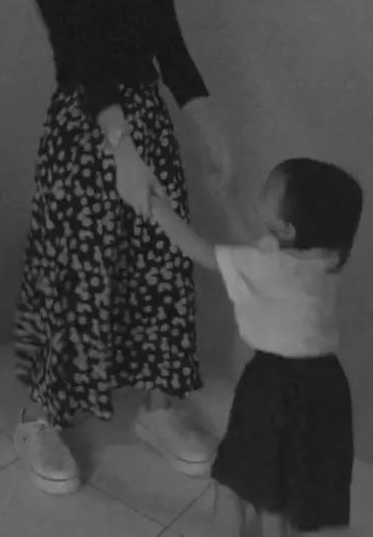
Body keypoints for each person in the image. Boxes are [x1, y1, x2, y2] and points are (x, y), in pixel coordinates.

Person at [12, 0, 231, 495]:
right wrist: (122, 152)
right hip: (86, 136)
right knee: (76, 271)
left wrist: (212, 133)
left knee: (161, 269)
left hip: (147, 132)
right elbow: (84, 66)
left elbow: (176, 60)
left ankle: (158, 411)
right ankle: (39, 416)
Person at [151, 157, 363, 536]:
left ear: (286, 228)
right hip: (323, 385)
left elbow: (200, 250)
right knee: (278, 493)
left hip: (274, 385)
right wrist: (226, 201)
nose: (261, 190)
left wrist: (154, 205)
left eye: (268, 190)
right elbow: (260, 247)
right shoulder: (324, 258)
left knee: (232, 481)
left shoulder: (273, 267)